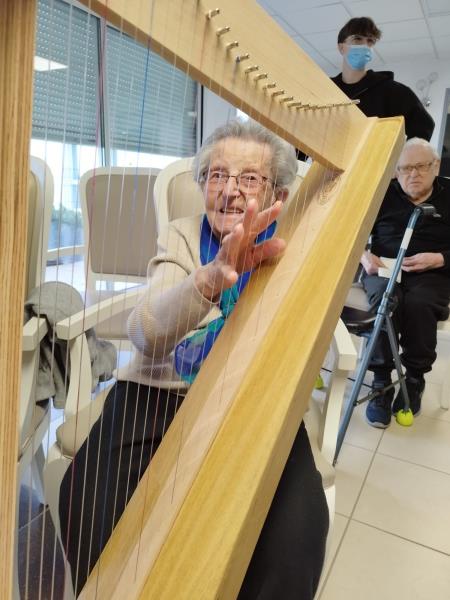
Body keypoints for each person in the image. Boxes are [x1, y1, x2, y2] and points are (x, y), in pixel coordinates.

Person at [59, 119, 329, 598]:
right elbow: (144, 333)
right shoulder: (183, 235)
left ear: (278, 194)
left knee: (295, 542)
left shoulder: (296, 244)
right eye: (216, 175)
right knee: (86, 499)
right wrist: (209, 279)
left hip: (256, 399)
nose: (229, 190)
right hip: (157, 392)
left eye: (249, 178)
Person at [361, 138, 450, 428]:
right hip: (384, 268)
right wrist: (364, 256)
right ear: (396, 171)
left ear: (436, 166)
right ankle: (381, 382)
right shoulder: (382, 193)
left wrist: (438, 258)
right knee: (386, 301)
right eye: (405, 168)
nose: (413, 174)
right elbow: (354, 233)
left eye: (421, 166)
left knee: (419, 304)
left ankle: (413, 379)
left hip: (432, 273)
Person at [332, 17, 434, 141]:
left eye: (370, 41)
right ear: (341, 47)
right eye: (357, 39)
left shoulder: (392, 91)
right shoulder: (327, 89)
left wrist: (404, 152)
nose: (365, 45)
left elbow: (423, 126)